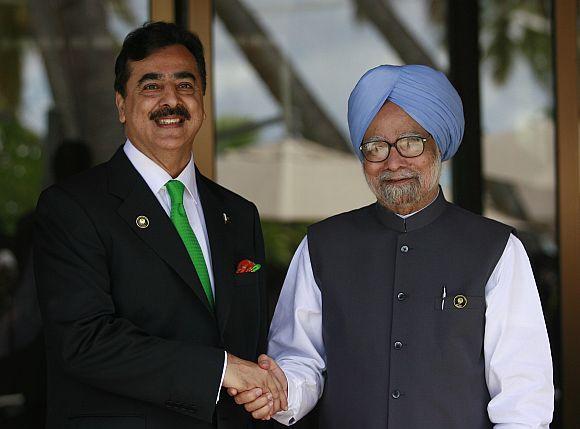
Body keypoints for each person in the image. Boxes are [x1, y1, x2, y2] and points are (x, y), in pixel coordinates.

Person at [232, 64, 554, 428]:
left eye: (411, 142)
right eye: (376, 147)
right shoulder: (322, 245)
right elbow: (300, 359)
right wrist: (279, 391)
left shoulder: (497, 249)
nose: (394, 161)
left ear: (438, 146)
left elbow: (523, 394)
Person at [33, 22, 286, 429]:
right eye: (151, 86)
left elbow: (258, 338)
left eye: (186, 85)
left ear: (201, 100)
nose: (171, 100)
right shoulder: (72, 207)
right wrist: (221, 370)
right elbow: (83, 341)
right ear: (121, 105)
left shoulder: (239, 215)